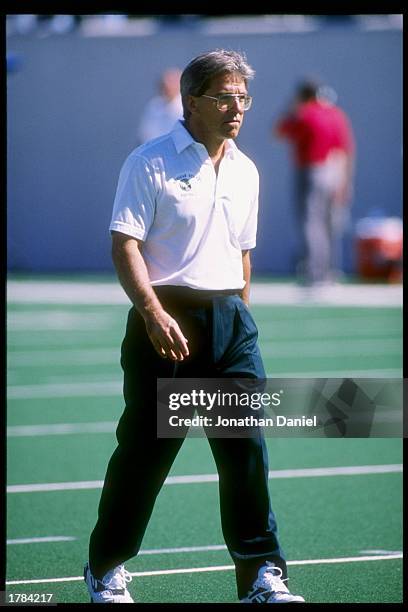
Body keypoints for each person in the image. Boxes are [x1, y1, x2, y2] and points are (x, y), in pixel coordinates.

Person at [84, 49, 305, 604]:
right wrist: (152, 312)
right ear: (191, 101)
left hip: (231, 324)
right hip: (166, 323)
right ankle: (105, 567)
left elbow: (242, 253)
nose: (237, 108)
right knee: (144, 454)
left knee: (245, 453)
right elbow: (124, 243)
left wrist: (243, 318)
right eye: (224, 97)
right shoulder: (149, 162)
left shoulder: (248, 170)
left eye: (243, 98)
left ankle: (262, 572)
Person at [274, 79, 355, 285]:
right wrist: (345, 180)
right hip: (335, 169)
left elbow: (280, 130)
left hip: (312, 170)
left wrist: (293, 107)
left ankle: (315, 273)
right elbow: (346, 149)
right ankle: (329, 271)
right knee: (329, 224)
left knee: (311, 223)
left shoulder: (305, 113)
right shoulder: (336, 114)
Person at [136, 68, 183, 144]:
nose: (168, 88)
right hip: (153, 151)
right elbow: (145, 133)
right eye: (165, 84)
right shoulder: (154, 105)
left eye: (172, 83)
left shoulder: (186, 106)